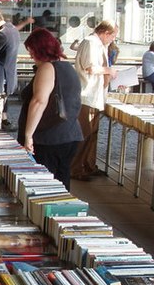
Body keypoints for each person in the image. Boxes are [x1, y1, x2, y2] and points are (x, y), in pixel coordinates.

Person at [17, 28, 83, 191]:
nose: (30, 55)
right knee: (61, 183)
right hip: (68, 134)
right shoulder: (67, 67)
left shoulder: (47, 68)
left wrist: (28, 136)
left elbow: (39, 101)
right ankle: (60, 214)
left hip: (49, 138)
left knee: (44, 185)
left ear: (39, 49)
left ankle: (46, 215)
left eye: (31, 51)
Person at [70, 20, 118, 181]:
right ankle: (76, 168)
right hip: (87, 95)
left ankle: (88, 165)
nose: (113, 40)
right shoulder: (91, 43)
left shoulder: (100, 45)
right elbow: (90, 67)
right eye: (112, 36)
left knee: (92, 134)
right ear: (106, 33)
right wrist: (108, 70)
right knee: (84, 133)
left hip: (95, 96)